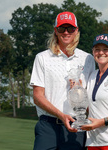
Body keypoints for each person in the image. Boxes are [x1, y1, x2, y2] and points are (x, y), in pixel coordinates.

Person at [30, 11, 95, 150]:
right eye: (62, 28)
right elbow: (37, 96)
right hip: (47, 125)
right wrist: (61, 115)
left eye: (70, 28)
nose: (66, 32)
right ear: (56, 31)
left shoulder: (88, 58)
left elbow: (91, 97)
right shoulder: (42, 58)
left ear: (76, 30)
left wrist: (80, 92)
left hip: (76, 126)